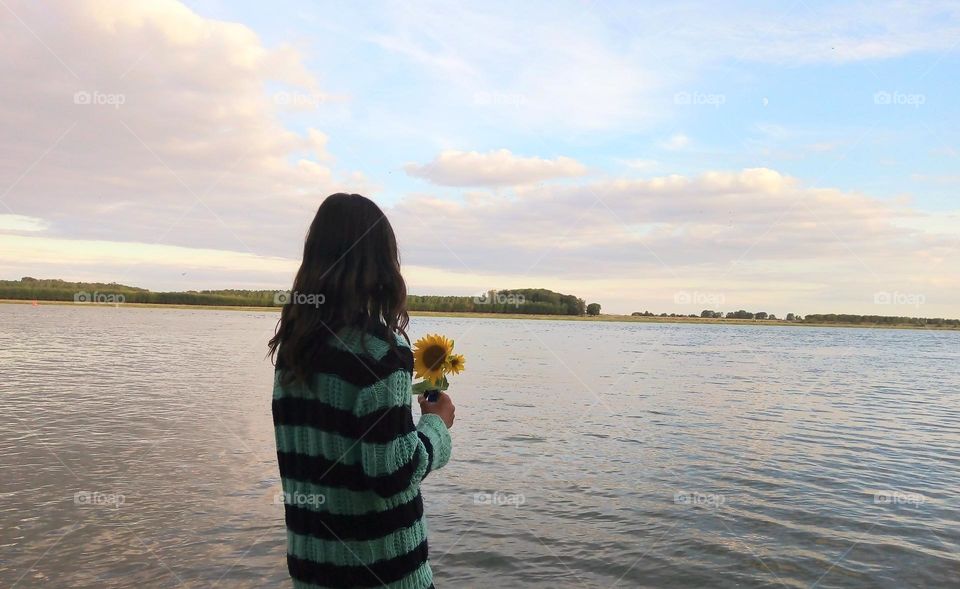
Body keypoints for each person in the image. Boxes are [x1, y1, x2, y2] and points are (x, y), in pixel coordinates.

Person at [269, 193, 455, 588]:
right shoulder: (380, 352)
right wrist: (437, 426)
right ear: (383, 263)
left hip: (313, 569)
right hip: (385, 574)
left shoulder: (294, 348)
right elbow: (391, 475)